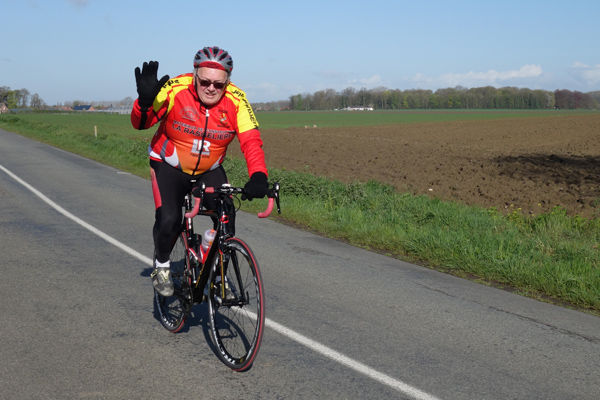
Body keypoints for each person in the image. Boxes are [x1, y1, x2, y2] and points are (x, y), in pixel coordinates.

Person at [131, 46, 268, 297]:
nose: (211, 88)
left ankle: (216, 271)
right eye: (205, 81)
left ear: (228, 82)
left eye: (219, 84)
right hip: (169, 164)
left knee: (226, 215)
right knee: (169, 219)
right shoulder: (175, 89)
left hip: (209, 168)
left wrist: (258, 175)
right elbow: (141, 124)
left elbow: (251, 141)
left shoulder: (237, 100)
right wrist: (145, 103)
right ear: (195, 75)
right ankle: (162, 265)